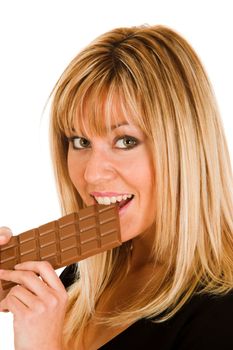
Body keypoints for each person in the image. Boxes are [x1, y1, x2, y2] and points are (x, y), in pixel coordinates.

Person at [0, 24, 233, 350]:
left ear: (184, 148)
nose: (92, 174)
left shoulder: (220, 314)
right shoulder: (80, 277)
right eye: (80, 141)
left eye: (125, 141)